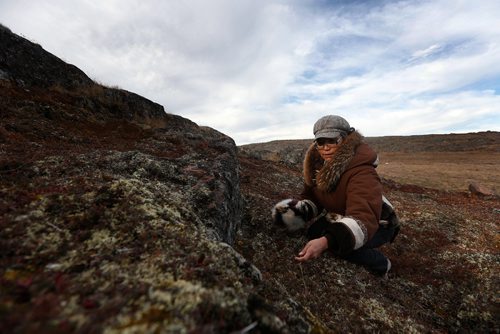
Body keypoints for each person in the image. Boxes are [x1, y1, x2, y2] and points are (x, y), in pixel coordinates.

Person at [272, 115, 400, 276]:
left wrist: (328, 241)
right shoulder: (317, 166)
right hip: (344, 214)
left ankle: (382, 264)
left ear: (346, 140)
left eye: (332, 140)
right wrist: (297, 213)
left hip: (378, 223)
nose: (326, 147)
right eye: (320, 142)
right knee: (313, 233)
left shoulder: (362, 172)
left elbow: (364, 216)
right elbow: (313, 198)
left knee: (340, 245)